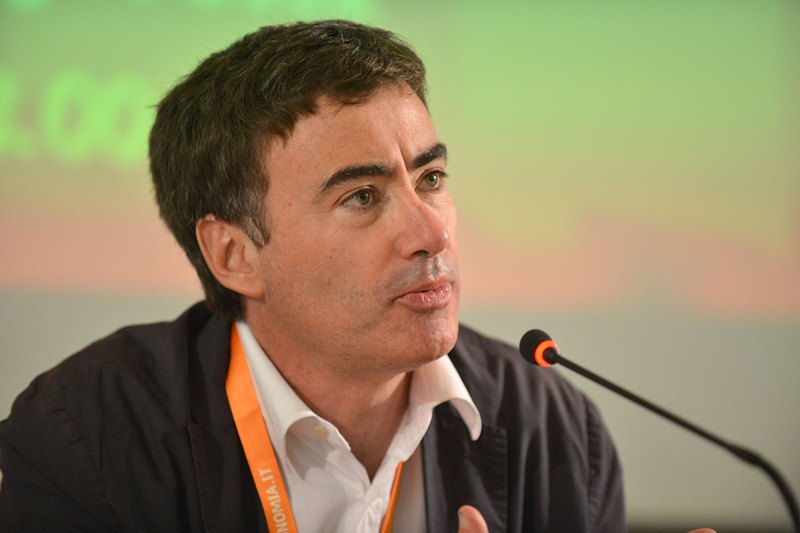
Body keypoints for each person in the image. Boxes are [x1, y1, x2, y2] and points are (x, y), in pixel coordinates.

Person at [0, 20, 627, 532]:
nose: (432, 234)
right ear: (234, 255)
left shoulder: (558, 431)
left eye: (430, 179)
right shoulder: (88, 437)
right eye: (362, 197)